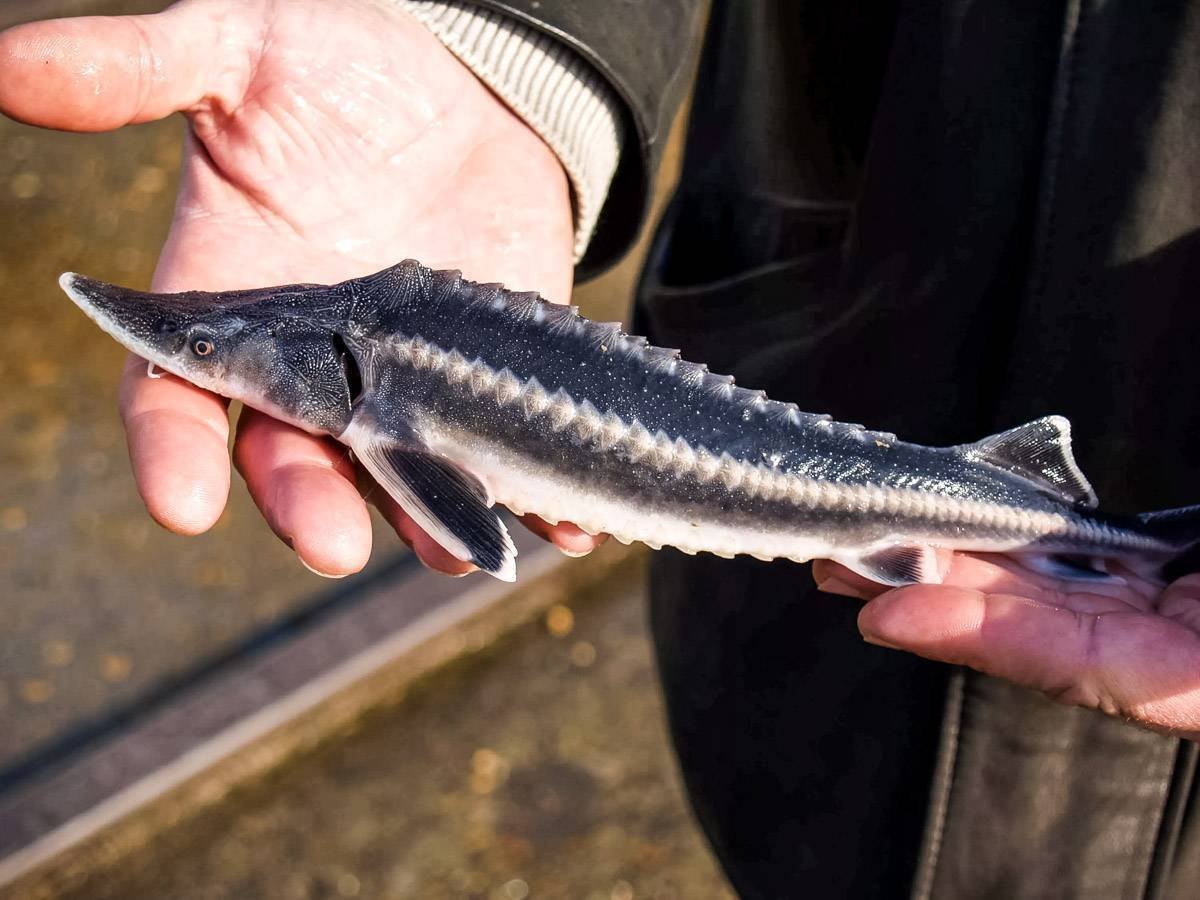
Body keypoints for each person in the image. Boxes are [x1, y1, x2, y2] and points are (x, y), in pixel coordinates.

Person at [4, 1, 1200, 896]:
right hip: (797, 699)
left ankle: (1091, 533)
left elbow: (476, 531)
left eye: (217, 359)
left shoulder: (387, 401)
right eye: (216, 356)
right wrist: (493, 29)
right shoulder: (364, 356)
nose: (201, 358)